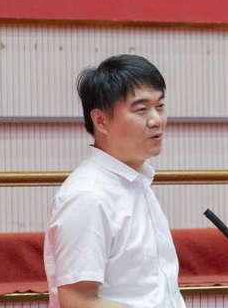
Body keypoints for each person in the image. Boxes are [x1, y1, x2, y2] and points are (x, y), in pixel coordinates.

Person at [44, 54, 186, 308]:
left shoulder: (136, 183)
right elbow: (78, 301)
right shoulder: (88, 197)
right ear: (101, 120)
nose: (156, 120)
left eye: (160, 106)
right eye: (141, 109)